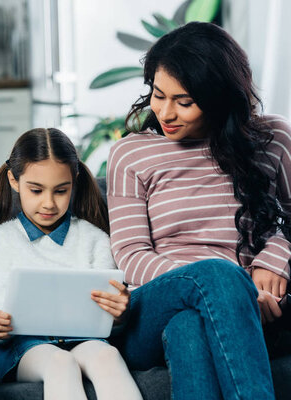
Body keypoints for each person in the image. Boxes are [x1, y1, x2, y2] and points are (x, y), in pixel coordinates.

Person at [107, 22, 291, 399]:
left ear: (219, 98)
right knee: (217, 278)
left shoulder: (273, 140)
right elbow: (129, 254)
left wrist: (275, 258)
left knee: (188, 327)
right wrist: (223, 286)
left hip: (250, 310)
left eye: (184, 102)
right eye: (158, 95)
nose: (165, 112)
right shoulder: (131, 153)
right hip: (153, 304)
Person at [0, 128, 143, 400]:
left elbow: (109, 314)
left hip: (85, 340)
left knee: (108, 356)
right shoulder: (1, 239)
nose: (49, 203)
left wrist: (119, 312)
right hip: (26, 347)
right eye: (36, 190)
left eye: (61, 191)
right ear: (14, 180)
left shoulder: (94, 239)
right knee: (60, 363)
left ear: (74, 182)